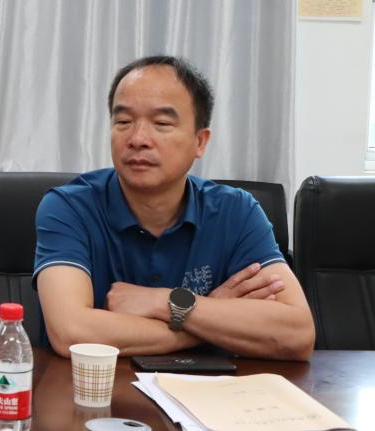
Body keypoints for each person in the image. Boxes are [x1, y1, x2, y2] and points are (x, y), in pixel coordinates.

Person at [34, 56, 314, 360]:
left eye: (162, 124)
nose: (138, 139)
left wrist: (166, 302)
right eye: (123, 121)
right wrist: (210, 316)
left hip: (214, 389)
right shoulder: (69, 207)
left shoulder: (237, 211)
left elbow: (297, 334)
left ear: (200, 142)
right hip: (96, 387)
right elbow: (71, 332)